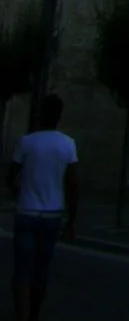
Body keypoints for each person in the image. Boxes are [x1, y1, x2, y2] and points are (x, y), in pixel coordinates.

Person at [6, 94, 77, 321]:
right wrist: (72, 220)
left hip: (27, 211)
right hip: (53, 214)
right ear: (59, 117)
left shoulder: (26, 142)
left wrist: (20, 191)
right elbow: (73, 184)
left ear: (39, 115)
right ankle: (34, 315)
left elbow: (10, 177)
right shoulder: (67, 144)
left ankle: (23, 315)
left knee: (22, 271)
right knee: (41, 270)